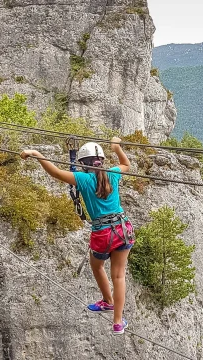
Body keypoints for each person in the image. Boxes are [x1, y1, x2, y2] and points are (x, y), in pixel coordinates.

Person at [20, 138, 134, 335]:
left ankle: (108, 301)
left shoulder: (82, 179)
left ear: (83, 163)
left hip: (102, 233)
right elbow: (126, 165)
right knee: (119, 276)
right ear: (101, 161)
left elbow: (55, 172)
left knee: (97, 265)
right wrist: (117, 148)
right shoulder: (113, 175)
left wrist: (37, 154)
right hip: (123, 228)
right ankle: (117, 322)